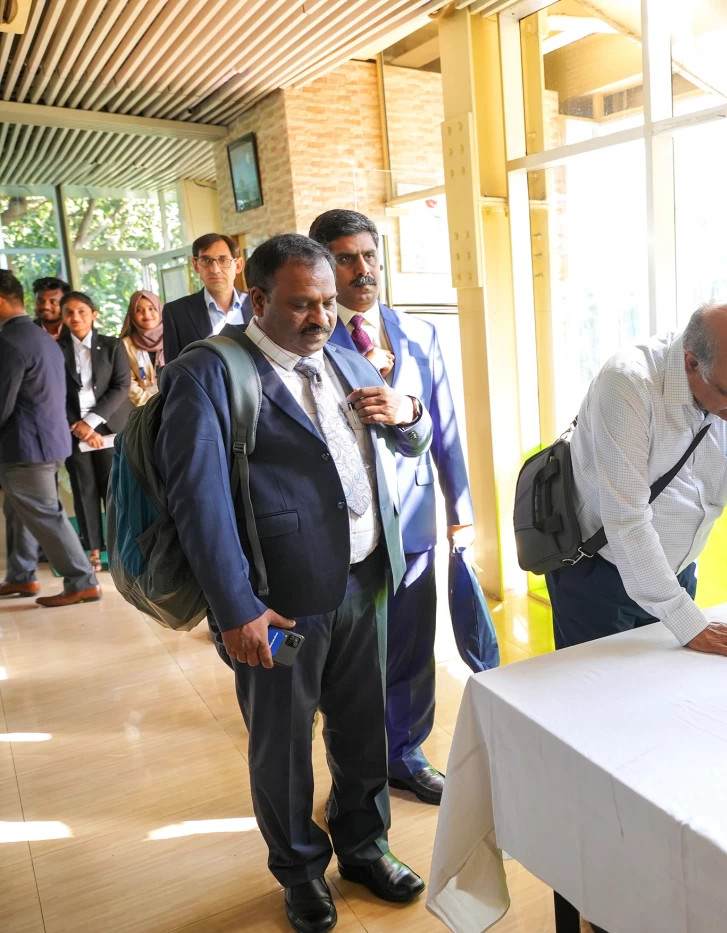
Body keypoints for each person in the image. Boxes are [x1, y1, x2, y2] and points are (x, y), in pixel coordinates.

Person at [155, 234, 432, 933]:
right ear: (257, 299)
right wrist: (235, 609)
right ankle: (300, 869)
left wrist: (410, 414)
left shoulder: (344, 354)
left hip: (364, 580)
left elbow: (405, 441)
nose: (321, 318)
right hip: (278, 604)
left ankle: (365, 847)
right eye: (303, 304)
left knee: (363, 729)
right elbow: (199, 502)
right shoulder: (209, 374)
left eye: (329, 302)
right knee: (282, 746)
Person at [542, 300, 727, 932]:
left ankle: (655, 890)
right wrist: (689, 622)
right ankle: (593, 896)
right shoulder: (628, 385)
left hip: (676, 574)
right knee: (603, 745)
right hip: (598, 578)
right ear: (693, 363)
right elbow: (625, 520)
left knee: (666, 739)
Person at [310, 209, 474, 808]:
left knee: (411, 646)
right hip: (348, 530)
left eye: (369, 255)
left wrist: (461, 507)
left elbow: (445, 422)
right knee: (352, 664)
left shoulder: (419, 335)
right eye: (345, 258)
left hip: (415, 518)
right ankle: (357, 773)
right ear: (323, 266)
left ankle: (405, 755)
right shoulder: (312, 340)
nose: (363, 269)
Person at [0, 270, 101, 606]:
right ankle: (21, 575)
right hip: (47, 441)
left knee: (45, 514)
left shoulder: (10, 341)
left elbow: (2, 402)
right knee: (19, 510)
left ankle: (82, 581)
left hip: (27, 446)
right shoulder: (40, 337)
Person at [59, 291, 132, 573]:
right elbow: (53, 391)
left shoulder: (112, 345)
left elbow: (121, 386)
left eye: (81, 311)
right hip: (72, 428)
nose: (75, 317)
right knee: (83, 489)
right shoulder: (56, 348)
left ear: (94, 314)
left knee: (112, 489)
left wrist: (90, 423)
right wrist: (80, 426)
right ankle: (93, 550)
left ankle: (118, 549)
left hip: (107, 426)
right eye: (69, 312)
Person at [162, 232, 249, 360]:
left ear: (238, 265)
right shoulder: (176, 313)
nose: (215, 269)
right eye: (206, 261)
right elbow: (173, 368)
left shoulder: (259, 304)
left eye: (223, 260)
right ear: (195, 265)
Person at [121, 289, 164, 407]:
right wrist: (153, 406)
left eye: (151, 308)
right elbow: (129, 382)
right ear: (132, 315)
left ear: (160, 309)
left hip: (178, 402)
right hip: (145, 408)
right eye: (139, 310)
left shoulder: (173, 335)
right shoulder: (125, 345)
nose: (146, 314)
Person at [31, 275, 68, 339]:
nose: (46, 306)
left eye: (53, 302)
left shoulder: (76, 331)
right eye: (40, 301)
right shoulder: (27, 332)